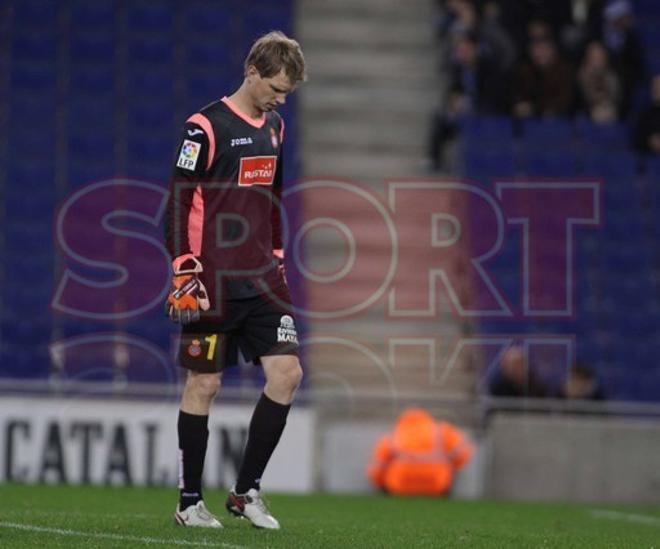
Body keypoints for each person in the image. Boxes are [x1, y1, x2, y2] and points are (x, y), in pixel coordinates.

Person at [164, 31, 306, 529]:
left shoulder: (276, 127)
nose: (280, 98)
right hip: (213, 278)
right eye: (275, 86)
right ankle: (188, 503)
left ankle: (246, 491)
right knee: (204, 382)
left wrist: (279, 254)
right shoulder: (203, 127)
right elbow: (179, 202)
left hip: (264, 277)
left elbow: (273, 196)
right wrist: (184, 268)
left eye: (286, 91)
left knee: (287, 376)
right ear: (251, 71)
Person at [367, 408, 473, 496]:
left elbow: (378, 467)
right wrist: (452, 467)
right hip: (437, 485)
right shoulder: (442, 431)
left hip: (400, 487)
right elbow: (463, 454)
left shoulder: (393, 435)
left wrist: (381, 486)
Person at [577, 40, 621, 123]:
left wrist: (608, 108)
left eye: (598, 55)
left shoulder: (612, 75)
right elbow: (581, 100)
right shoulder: (581, 75)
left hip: (610, 113)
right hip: (589, 114)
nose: (596, 58)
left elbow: (616, 96)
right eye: (592, 55)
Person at [633, 74, 660, 155]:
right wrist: (649, 141)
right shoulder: (645, 115)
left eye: (659, 87)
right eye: (654, 86)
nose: (656, 89)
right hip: (649, 158)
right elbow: (636, 141)